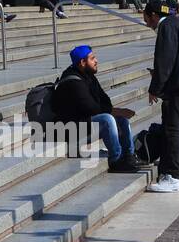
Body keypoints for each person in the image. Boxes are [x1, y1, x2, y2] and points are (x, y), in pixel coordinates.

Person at [143, 0, 179, 192]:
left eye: (146, 19)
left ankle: (172, 175)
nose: (147, 24)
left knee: (172, 129)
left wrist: (155, 87)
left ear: (153, 15)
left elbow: (165, 60)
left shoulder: (166, 27)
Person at [52, 45, 140, 173]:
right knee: (107, 119)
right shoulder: (72, 81)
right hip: (71, 131)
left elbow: (105, 100)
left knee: (121, 120)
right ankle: (116, 160)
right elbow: (92, 109)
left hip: (84, 125)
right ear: (82, 62)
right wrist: (116, 111)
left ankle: (128, 156)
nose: (96, 61)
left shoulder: (89, 76)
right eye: (92, 58)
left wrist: (115, 112)